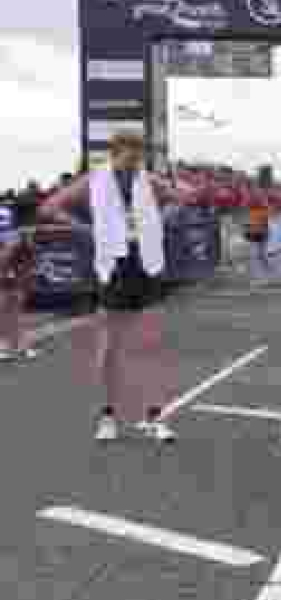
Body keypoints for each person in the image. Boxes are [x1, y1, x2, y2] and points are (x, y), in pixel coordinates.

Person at [40, 130, 192, 442]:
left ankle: (153, 416)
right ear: (115, 151)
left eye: (140, 151)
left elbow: (184, 199)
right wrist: (88, 229)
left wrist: (158, 220)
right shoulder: (95, 179)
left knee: (149, 342)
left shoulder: (147, 179)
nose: (137, 157)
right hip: (114, 266)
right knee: (110, 346)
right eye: (132, 151)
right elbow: (50, 207)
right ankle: (108, 416)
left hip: (145, 262)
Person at [0, 211, 38, 362]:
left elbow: (28, 258)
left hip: (15, 282)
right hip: (3, 282)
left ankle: (21, 347)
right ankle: (4, 347)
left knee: (16, 315)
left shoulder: (18, 236)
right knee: (4, 315)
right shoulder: (13, 238)